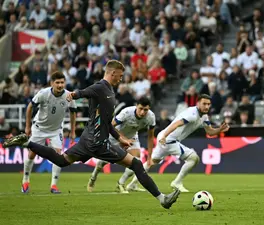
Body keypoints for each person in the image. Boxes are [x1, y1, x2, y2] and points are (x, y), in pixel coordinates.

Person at [4, 60, 180, 209]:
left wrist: (120, 138)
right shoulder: (101, 87)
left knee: (61, 160)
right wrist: (74, 94)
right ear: (112, 73)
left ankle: (27, 143)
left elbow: (106, 122)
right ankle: (162, 199)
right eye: (119, 75)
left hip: (88, 139)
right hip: (98, 142)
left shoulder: (109, 90)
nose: (121, 78)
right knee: (136, 164)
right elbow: (85, 92)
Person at [125, 94, 230, 192]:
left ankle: (132, 184)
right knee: (193, 158)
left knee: (152, 162)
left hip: (165, 138)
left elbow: (210, 132)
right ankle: (177, 182)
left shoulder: (204, 117)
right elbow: (176, 124)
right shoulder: (192, 114)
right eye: (204, 104)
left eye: (208, 104)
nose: (207, 106)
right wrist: (165, 136)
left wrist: (219, 129)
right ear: (198, 103)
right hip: (169, 139)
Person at [22, 71, 77, 194]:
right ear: (52, 83)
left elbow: (73, 112)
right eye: (57, 82)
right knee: (32, 154)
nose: (60, 85)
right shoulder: (43, 93)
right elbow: (30, 107)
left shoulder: (69, 96)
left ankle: (54, 186)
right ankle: (25, 180)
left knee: (58, 156)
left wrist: (73, 131)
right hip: (39, 128)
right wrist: (27, 127)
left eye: (62, 82)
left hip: (56, 130)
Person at [87, 96, 156, 193]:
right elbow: (110, 126)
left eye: (145, 110)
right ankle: (93, 177)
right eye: (140, 109)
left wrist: (149, 157)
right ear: (136, 106)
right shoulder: (127, 112)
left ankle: (120, 184)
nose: (142, 112)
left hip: (132, 137)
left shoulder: (151, 117)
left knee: (136, 162)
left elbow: (150, 137)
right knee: (104, 162)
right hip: (115, 135)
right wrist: (123, 139)